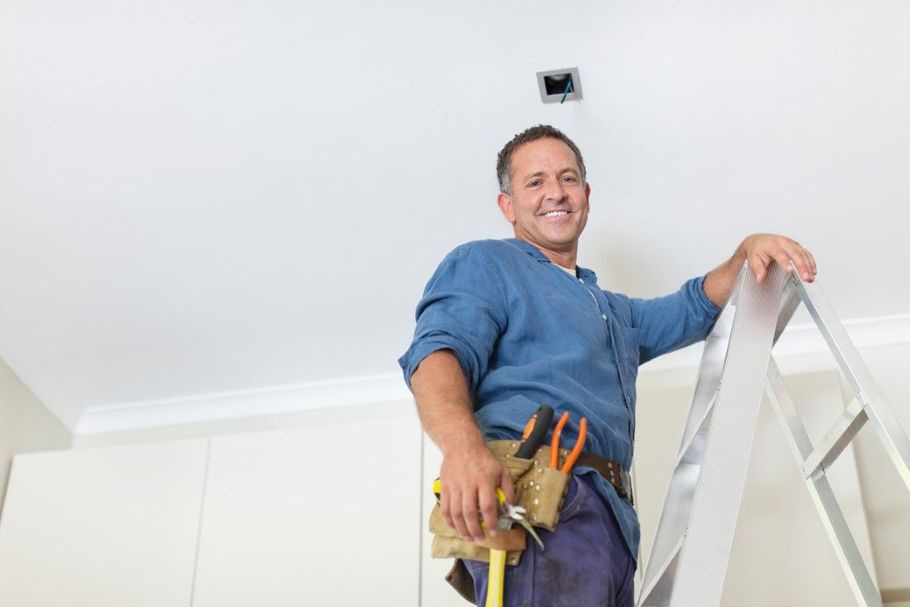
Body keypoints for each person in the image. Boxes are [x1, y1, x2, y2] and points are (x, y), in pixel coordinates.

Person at [398, 124, 816, 606]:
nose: (556, 192)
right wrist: (463, 451)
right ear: (507, 206)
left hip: (612, 524)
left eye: (568, 178)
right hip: (540, 503)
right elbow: (436, 355)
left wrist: (746, 252)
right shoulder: (486, 263)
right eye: (535, 182)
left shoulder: (612, 312)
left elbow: (695, 307)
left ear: (586, 195)